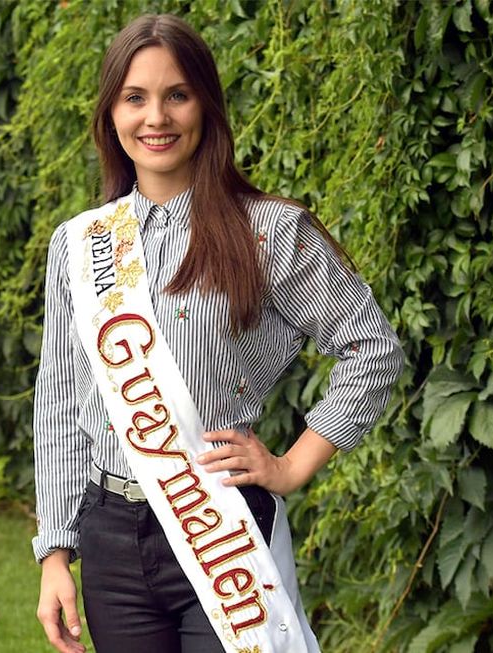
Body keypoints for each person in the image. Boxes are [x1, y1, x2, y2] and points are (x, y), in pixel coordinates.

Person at [32, 13, 403, 653]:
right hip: (112, 542)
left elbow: (371, 345)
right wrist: (55, 555)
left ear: (206, 103)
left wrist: (289, 467)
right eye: (135, 98)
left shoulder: (269, 231)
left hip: (221, 531)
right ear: (111, 114)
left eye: (176, 94)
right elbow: (63, 399)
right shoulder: (78, 244)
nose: (157, 118)